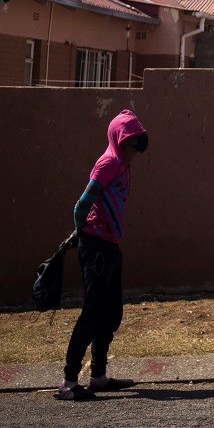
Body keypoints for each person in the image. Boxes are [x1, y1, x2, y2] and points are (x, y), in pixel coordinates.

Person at [56, 110, 149, 401]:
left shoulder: (121, 164)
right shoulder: (108, 163)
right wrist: (80, 232)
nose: (135, 151)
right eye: (131, 144)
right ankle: (69, 382)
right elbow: (81, 204)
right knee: (93, 312)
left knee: (111, 313)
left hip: (110, 246)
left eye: (137, 144)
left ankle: (98, 376)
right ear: (119, 141)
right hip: (95, 245)